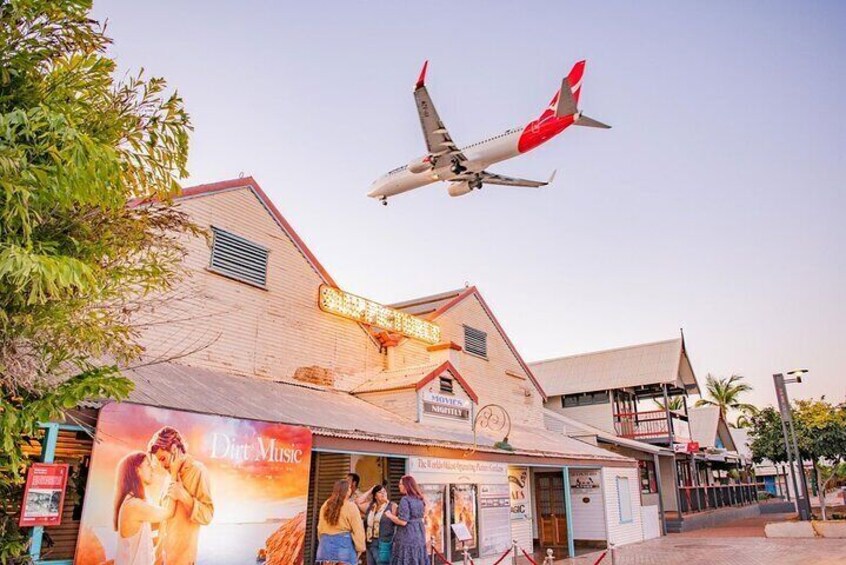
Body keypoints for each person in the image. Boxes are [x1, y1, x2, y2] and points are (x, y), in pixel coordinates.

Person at [148, 426, 214, 565]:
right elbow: (164, 517)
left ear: (173, 450)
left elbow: (207, 515)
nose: (161, 465)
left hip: (181, 560)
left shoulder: (198, 471)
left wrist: (184, 496)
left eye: (163, 459)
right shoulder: (169, 476)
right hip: (160, 559)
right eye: (159, 461)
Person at [113, 452, 173, 565]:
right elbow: (168, 513)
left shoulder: (142, 501)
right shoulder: (134, 505)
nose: (152, 469)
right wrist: (174, 474)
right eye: (148, 465)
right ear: (137, 470)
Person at [316, 479, 366, 565]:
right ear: (346, 491)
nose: (351, 490)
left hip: (326, 544)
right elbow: (358, 530)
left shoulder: (325, 505)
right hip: (344, 544)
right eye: (349, 488)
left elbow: (320, 527)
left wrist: (323, 541)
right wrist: (360, 548)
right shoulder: (351, 506)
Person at [384, 475, 429, 565]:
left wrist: (389, 515)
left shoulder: (405, 500)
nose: (398, 486)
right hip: (419, 534)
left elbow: (403, 521)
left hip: (407, 536)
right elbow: (424, 514)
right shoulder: (420, 498)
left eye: (401, 484)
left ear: (406, 486)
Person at [364, 485, 396, 565]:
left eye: (384, 492)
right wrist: (371, 489)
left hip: (383, 544)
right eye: (380, 492)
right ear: (375, 496)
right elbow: (358, 502)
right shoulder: (371, 507)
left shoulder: (392, 506)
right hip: (370, 543)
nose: (383, 494)